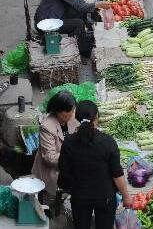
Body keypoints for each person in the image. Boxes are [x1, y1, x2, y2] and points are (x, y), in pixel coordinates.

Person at [58, 100, 132, 229]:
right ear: (97, 117)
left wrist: (73, 188)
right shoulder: (108, 142)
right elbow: (117, 173)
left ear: (76, 118)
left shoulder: (69, 142)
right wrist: (126, 196)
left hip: (79, 197)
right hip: (104, 197)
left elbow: (64, 170)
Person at [32, 91, 79, 197]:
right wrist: (73, 155)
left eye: (72, 110)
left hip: (70, 161)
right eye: (67, 112)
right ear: (58, 111)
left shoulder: (73, 117)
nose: (71, 114)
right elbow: (49, 158)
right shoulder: (47, 127)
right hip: (53, 168)